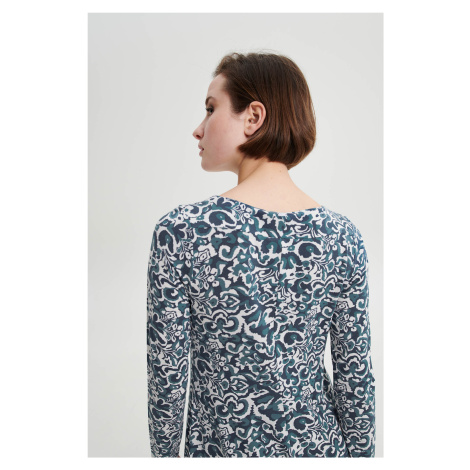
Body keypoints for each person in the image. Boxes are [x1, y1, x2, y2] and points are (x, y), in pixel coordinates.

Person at [147, 52, 376, 458]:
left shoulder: (182, 232)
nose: (198, 129)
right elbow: (355, 380)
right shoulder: (342, 237)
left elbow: (167, 378)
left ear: (253, 116)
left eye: (210, 109)